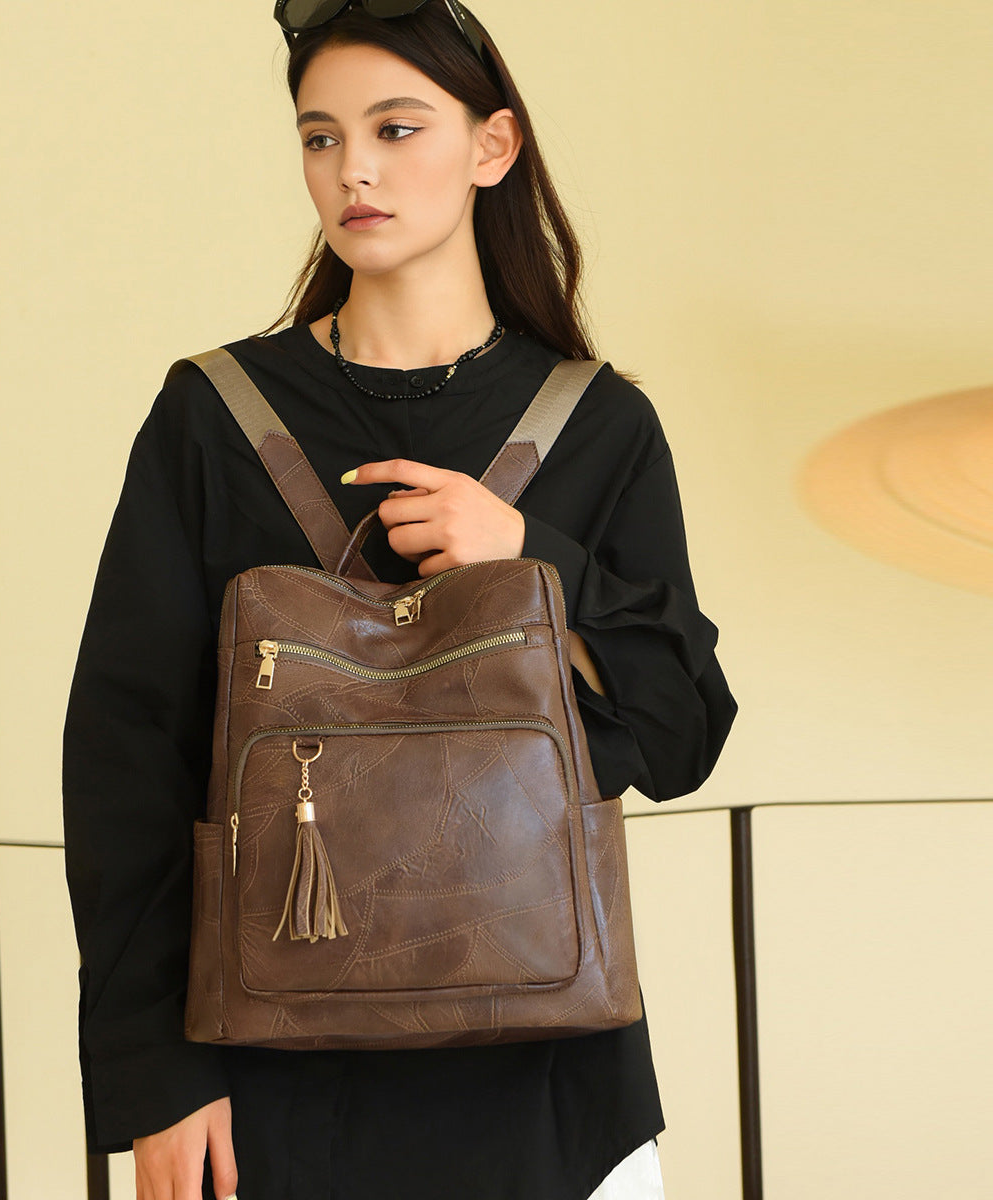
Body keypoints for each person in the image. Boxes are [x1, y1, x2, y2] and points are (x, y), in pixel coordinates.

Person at [61, 3, 738, 1198]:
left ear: (493, 146)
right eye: (320, 137)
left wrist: (529, 556)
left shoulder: (601, 426)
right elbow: (126, 758)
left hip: (553, 1099)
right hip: (269, 1092)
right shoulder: (210, 416)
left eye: (396, 127)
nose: (353, 170)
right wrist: (155, 1079)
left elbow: (680, 734)